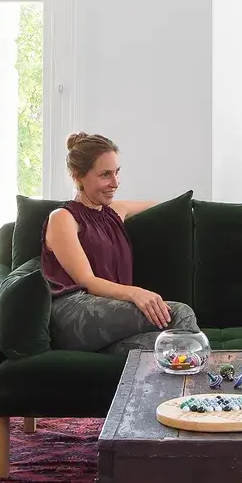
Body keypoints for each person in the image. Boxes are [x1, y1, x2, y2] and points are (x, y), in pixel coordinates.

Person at [41, 132, 200, 352]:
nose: (115, 183)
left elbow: (161, 206)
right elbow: (87, 280)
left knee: (159, 347)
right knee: (181, 313)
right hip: (73, 314)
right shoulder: (62, 218)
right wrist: (135, 293)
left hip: (109, 320)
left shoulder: (114, 211)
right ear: (78, 177)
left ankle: (188, 385)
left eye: (117, 172)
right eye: (105, 174)